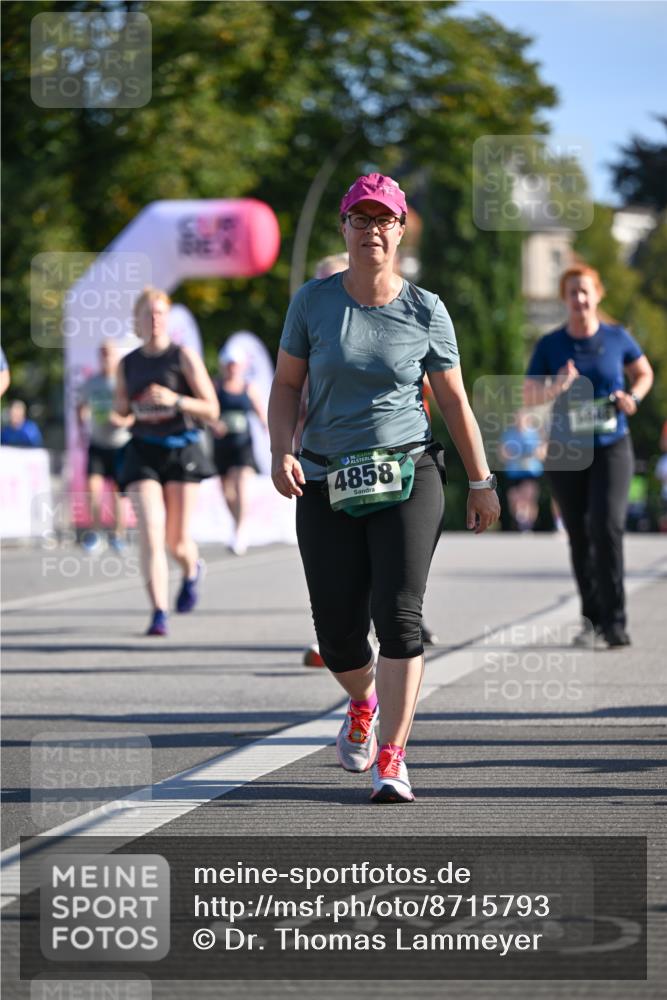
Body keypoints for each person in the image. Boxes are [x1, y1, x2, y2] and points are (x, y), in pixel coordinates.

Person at [269, 172, 499, 803]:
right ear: (344, 227)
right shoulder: (312, 303)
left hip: (409, 471)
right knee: (338, 632)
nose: (372, 230)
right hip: (324, 476)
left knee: (399, 617)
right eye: (360, 219)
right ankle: (362, 700)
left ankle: (393, 755)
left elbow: (453, 400)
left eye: (384, 219)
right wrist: (279, 451)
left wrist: (481, 481)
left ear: (400, 230)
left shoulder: (426, 309)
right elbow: (287, 385)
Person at [524, 264, 654, 648]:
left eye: (585, 291)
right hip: (567, 449)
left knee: (606, 525)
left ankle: (615, 622)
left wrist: (634, 398)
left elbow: (643, 374)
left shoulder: (617, 337)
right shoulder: (551, 344)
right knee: (579, 534)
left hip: (613, 444)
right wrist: (557, 386)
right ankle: (592, 620)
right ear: (564, 299)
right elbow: (529, 394)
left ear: (598, 295)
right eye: (572, 293)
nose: (579, 299)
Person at [114, 287, 219, 636]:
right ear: (137, 321)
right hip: (143, 449)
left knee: (176, 541)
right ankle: (159, 611)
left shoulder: (182, 356)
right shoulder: (127, 364)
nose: (155, 319)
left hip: (181, 449)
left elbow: (211, 408)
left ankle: (191, 570)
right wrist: (121, 414)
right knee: (150, 530)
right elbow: (121, 410)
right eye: (149, 314)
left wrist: (175, 400)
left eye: (161, 313)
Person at [211, 342, 268, 556]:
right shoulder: (216, 387)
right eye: (229, 364)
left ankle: (241, 530)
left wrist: (267, 428)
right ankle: (237, 524)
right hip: (222, 446)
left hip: (243, 445)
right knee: (227, 492)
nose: (232, 368)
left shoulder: (248, 388)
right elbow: (208, 413)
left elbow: (259, 411)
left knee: (241, 485)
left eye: (235, 364)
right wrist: (214, 424)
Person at [76, 340, 134, 552]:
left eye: (109, 353)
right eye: (102, 353)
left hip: (120, 445)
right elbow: (80, 406)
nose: (105, 357)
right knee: (93, 489)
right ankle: (95, 533)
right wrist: (82, 423)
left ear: (116, 355)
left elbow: (135, 414)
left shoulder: (124, 383)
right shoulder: (91, 383)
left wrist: (123, 421)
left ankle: (118, 535)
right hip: (98, 444)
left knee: (119, 493)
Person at [499, 408, 546, 532]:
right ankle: (520, 521)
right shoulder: (509, 434)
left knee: (528, 497)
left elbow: (542, 453)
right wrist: (513, 455)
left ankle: (528, 524)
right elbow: (502, 454)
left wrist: (533, 454)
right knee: (514, 499)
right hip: (514, 472)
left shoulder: (534, 434)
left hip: (531, 472)